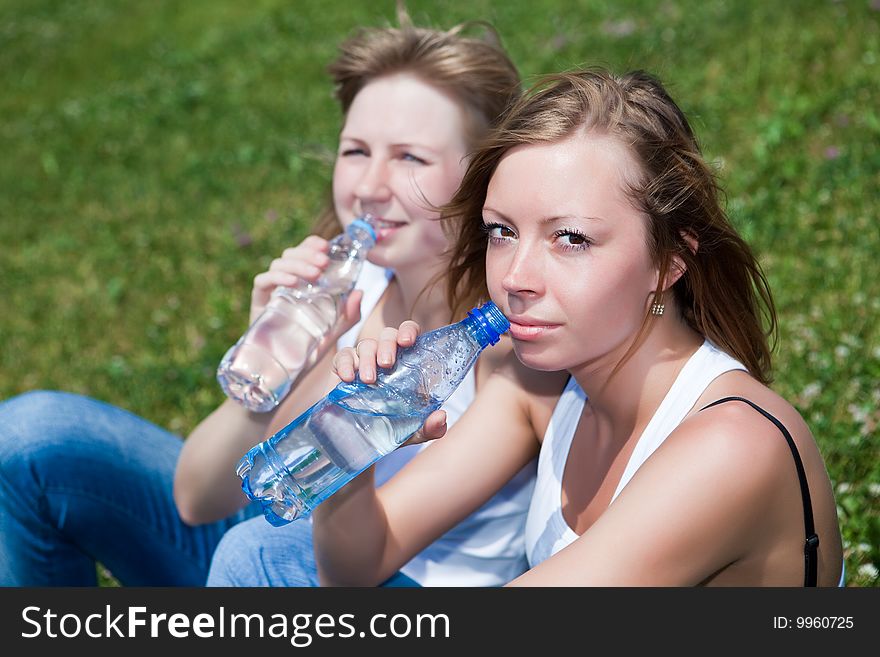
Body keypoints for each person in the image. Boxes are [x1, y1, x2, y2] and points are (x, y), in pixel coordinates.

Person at [0, 9, 535, 587]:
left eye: (410, 157)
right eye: (355, 151)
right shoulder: (353, 287)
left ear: (484, 177)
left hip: (388, 580)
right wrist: (271, 373)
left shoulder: (508, 346)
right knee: (31, 438)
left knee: (257, 552)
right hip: (277, 542)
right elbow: (197, 497)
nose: (368, 187)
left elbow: (348, 559)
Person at [316, 67, 846, 586]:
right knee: (267, 553)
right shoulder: (537, 392)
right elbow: (357, 565)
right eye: (501, 231)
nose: (515, 278)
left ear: (668, 262)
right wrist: (354, 448)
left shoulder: (732, 447)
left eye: (570, 239)